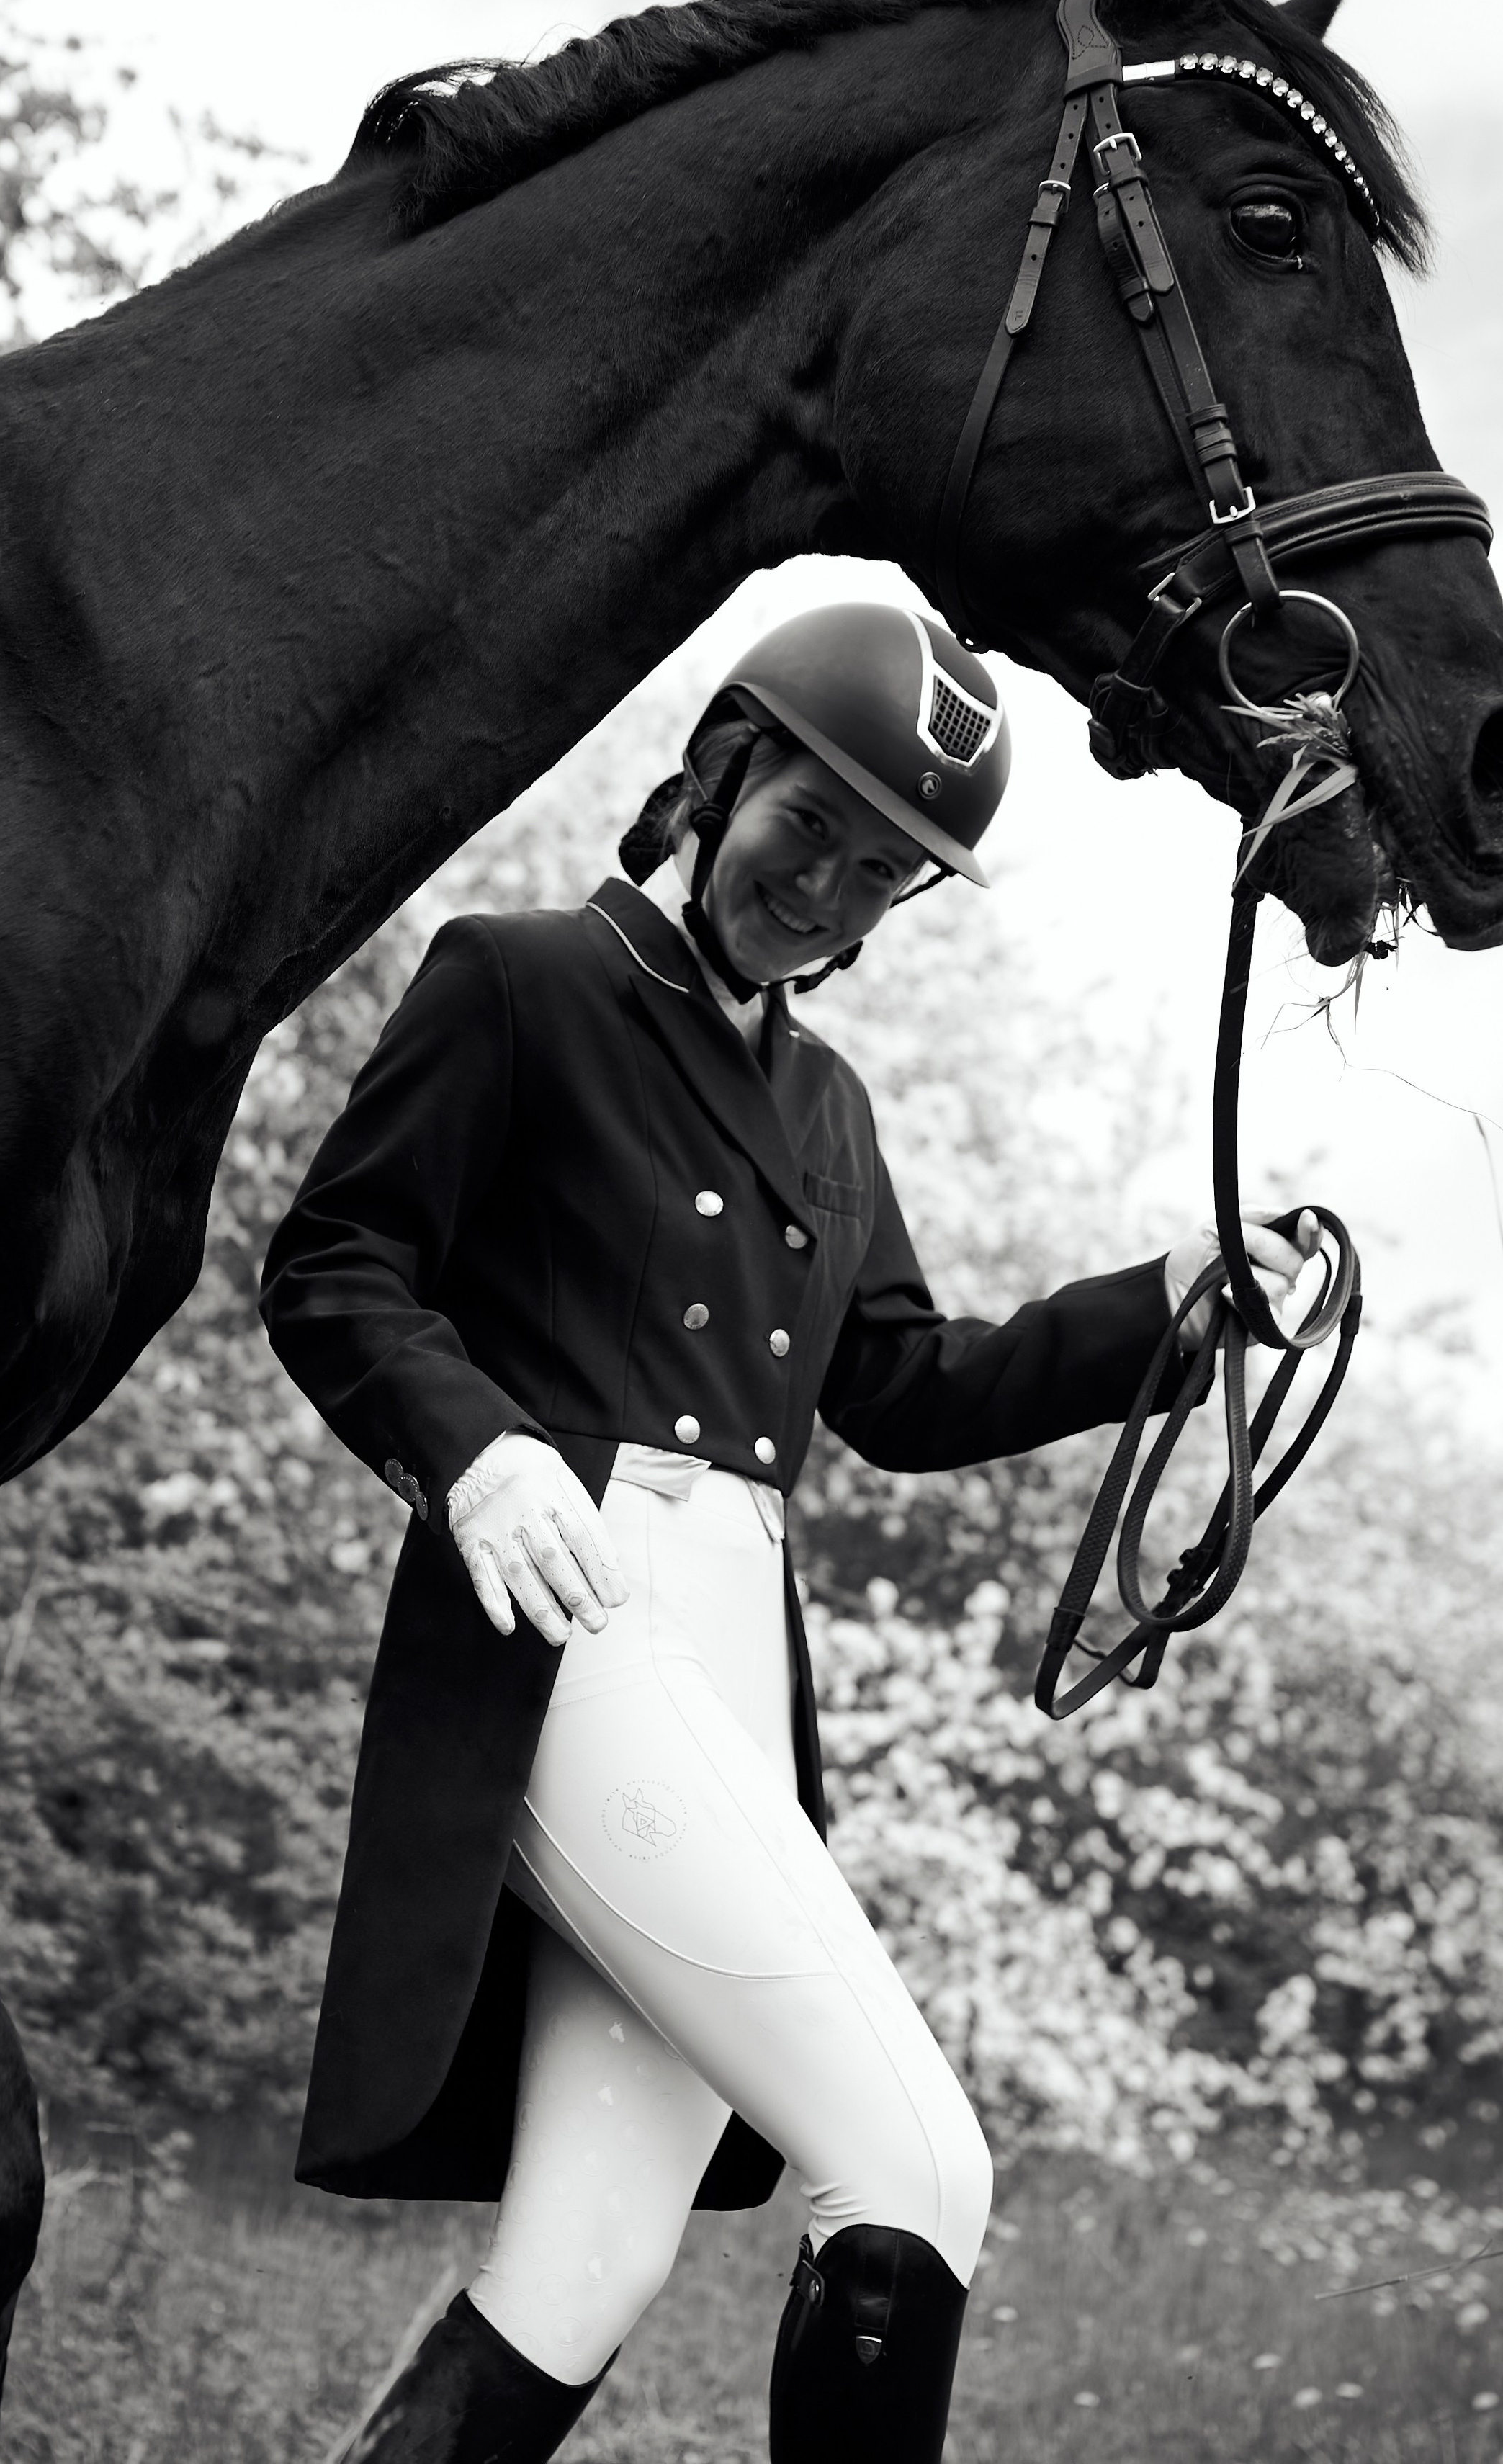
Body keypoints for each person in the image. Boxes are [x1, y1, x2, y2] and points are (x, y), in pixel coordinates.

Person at [259, 603, 1314, 2464]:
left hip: (736, 1660)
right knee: (913, 2159)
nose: (824, 891)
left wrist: (1173, 1301)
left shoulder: (829, 1105)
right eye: (805, 831)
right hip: (567, 1623)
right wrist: (478, 1450)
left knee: (584, 2266)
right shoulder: (516, 980)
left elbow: (905, 1392)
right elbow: (333, 1264)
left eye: (878, 874)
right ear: (721, 771)